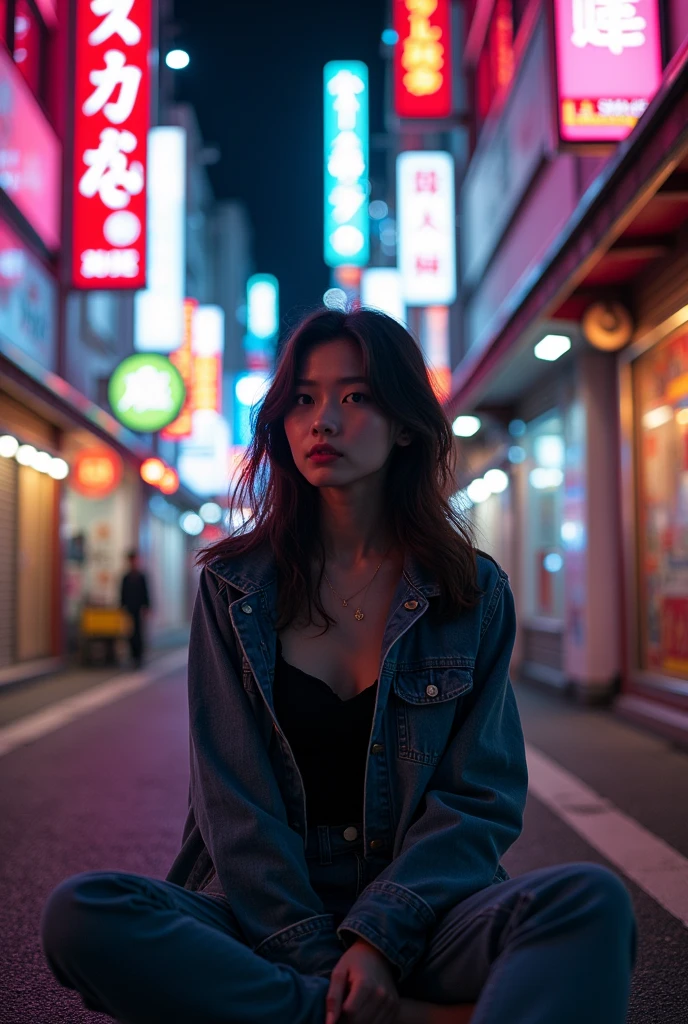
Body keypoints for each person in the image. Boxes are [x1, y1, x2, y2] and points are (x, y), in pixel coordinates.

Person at [40, 308, 636, 1024]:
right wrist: (322, 959)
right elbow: (233, 802)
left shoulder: (469, 592)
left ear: (407, 422)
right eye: (303, 398)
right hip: (261, 922)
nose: (323, 420)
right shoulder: (234, 588)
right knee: (84, 914)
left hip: (423, 917)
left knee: (589, 901)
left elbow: (478, 798)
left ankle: (313, 1011)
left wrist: (378, 941)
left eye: (355, 397)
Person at [120, 550, 150, 668]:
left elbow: (146, 593)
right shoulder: (126, 577)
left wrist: (147, 606)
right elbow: (122, 593)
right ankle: (133, 656)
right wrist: (122, 606)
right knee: (130, 633)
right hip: (129, 609)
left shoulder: (141, 576)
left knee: (139, 632)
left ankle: (139, 656)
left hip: (139, 609)